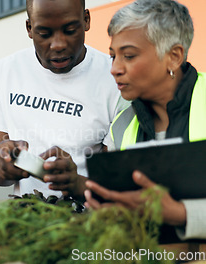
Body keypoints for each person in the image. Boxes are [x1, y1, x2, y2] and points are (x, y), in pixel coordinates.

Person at [0, 0, 128, 200]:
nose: (58, 45)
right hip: (27, 216)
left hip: (90, 220)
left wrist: (75, 181)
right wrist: (4, 165)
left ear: (86, 20)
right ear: (29, 28)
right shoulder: (4, 72)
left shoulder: (115, 77)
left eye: (69, 30)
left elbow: (118, 181)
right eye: (45, 34)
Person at [84, 0, 206, 241]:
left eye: (128, 55)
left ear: (174, 56)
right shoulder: (121, 124)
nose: (115, 69)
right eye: (112, 56)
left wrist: (182, 214)